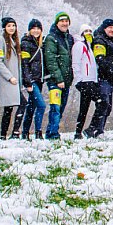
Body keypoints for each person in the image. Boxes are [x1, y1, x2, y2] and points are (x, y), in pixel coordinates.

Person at [88, 18, 113, 138]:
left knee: (107, 107)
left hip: (110, 80)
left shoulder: (111, 42)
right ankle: (94, 129)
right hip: (102, 78)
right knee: (103, 104)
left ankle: (98, 129)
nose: (112, 30)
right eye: (110, 28)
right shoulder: (100, 41)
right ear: (104, 28)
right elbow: (100, 58)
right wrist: (110, 72)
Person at [43, 12, 74, 140]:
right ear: (57, 23)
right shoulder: (51, 38)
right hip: (55, 80)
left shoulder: (69, 38)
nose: (64, 23)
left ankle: (50, 131)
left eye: (66, 21)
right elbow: (51, 60)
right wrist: (58, 78)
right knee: (55, 107)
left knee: (61, 107)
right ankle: (53, 134)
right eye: (62, 21)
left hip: (66, 80)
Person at [0, 17, 25, 139]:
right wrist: (9, 77)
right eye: (9, 26)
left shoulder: (15, 41)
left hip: (15, 80)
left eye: (13, 25)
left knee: (10, 107)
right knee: (14, 105)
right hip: (7, 79)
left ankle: (7, 133)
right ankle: (9, 133)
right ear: (4, 28)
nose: (12, 28)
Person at [72, 24, 99, 139]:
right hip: (85, 81)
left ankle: (80, 131)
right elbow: (76, 63)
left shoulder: (89, 46)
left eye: (90, 31)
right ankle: (86, 130)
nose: (89, 33)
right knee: (98, 103)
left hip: (91, 80)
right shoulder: (79, 45)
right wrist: (79, 80)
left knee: (84, 107)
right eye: (86, 31)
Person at [21, 19, 46, 140]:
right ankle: (38, 132)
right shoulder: (26, 44)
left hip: (39, 79)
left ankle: (25, 132)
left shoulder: (41, 44)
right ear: (29, 30)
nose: (36, 31)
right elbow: (24, 64)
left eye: (38, 28)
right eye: (33, 28)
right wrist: (28, 82)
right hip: (32, 80)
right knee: (41, 105)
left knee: (31, 107)